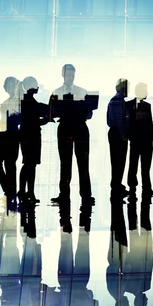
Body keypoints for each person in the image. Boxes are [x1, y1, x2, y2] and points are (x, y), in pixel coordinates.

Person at [49, 64, 96, 206]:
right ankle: (65, 194)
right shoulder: (57, 92)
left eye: (72, 75)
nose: (70, 77)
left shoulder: (82, 91)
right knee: (65, 163)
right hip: (67, 127)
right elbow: (50, 112)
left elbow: (90, 113)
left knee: (83, 164)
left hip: (79, 127)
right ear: (63, 75)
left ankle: (85, 195)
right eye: (68, 75)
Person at [18, 76, 49, 204]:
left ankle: (27, 191)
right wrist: (46, 120)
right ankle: (26, 191)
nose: (38, 87)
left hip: (27, 134)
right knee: (29, 165)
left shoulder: (26, 102)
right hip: (32, 135)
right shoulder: (29, 103)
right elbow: (33, 120)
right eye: (36, 85)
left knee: (30, 164)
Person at [0, 77, 23, 200]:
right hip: (4, 134)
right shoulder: (7, 102)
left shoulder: (19, 101)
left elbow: (18, 118)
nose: (8, 88)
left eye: (11, 85)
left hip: (11, 135)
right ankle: (9, 190)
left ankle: (10, 191)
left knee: (9, 164)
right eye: (7, 85)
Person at [127, 82, 153, 197]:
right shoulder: (129, 105)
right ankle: (134, 187)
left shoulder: (145, 106)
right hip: (137, 140)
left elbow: (150, 123)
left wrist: (152, 138)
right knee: (134, 165)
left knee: (144, 166)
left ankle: (144, 188)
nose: (147, 93)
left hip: (145, 140)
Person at [107, 79, 130, 201]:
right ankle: (117, 185)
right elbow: (122, 120)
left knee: (114, 161)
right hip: (119, 133)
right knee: (120, 161)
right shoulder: (121, 102)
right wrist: (124, 135)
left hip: (112, 132)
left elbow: (109, 120)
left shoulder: (111, 101)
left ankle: (115, 184)